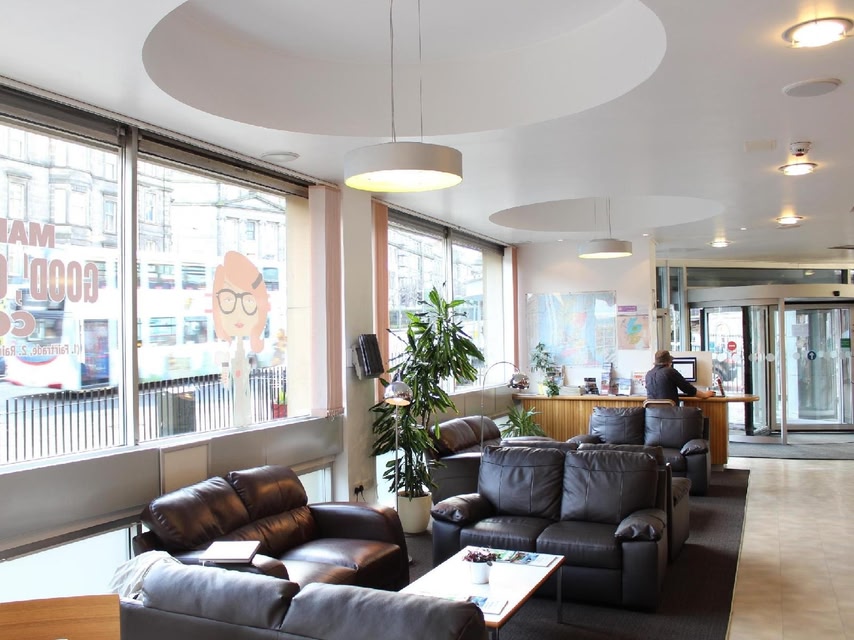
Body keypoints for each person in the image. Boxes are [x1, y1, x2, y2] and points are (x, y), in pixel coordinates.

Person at [212, 251, 271, 427]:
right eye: (228, 300)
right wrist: (225, 367)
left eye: (249, 301)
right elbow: (225, 382)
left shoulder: (246, 356)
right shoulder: (225, 355)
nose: (239, 313)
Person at [645, 350, 714, 404]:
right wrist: (704, 395)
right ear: (668, 362)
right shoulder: (670, 371)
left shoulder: (648, 374)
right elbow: (688, 389)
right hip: (670, 414)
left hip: (651, 415)